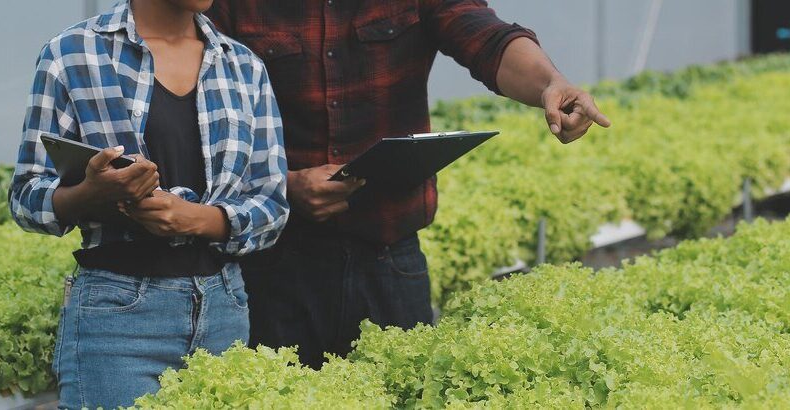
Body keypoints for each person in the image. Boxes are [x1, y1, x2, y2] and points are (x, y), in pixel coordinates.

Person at [206, 1, 611, 369]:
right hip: (275, 265)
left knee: (403, 388)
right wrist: (284, 186)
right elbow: (199, 120)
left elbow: (485, 37)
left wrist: (549, 84)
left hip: (389, 259)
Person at [9, 0, 288, 407]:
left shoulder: (243, 66)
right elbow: (25, 196)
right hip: (117, 320)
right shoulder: (72, 53)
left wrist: (197, 219)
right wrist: (90, 194)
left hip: (224, 309)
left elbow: (272, 204)